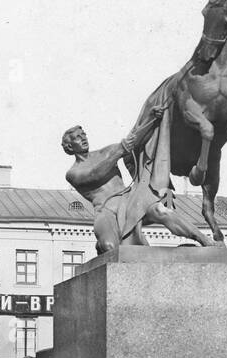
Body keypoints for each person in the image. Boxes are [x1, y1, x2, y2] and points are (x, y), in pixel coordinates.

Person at [63, 104, 212, 255]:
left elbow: (132, 141)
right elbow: (95, 174)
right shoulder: (73, 172)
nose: (83, 139)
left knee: (161, 210)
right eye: (77, 138)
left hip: (130, 200)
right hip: (106, 211)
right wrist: (120, 150)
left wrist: (150, 118)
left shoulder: (105, 152)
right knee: (109, 247)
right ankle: (102, 245)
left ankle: (206, 241)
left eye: (84, 135)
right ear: (69, 146)